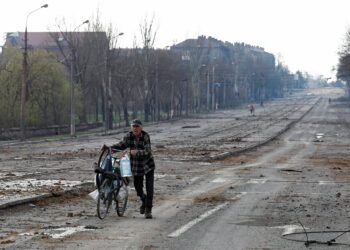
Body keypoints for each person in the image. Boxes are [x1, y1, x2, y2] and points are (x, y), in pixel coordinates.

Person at [102, 119, 155, 219]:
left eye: (137, 127)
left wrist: (137, 152)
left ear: (141, 127)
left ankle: (148, 210)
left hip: (148, 166)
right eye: (133, 126)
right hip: (136, 166)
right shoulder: (128, 136)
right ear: (131, 127)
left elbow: (148, 151)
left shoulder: (145, 136)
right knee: (138, 188)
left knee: (149, 188)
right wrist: (109, 148)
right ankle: (144, 201)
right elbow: (121, 145)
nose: (135, 128)